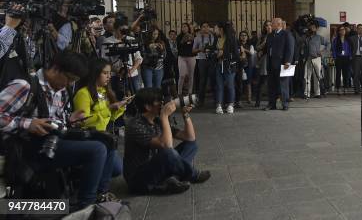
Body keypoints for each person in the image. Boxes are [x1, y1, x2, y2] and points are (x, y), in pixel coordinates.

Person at [0, 51, 113, 208]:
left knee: (106, 141)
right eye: (69, 79)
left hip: (50, 142)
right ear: (56, 69)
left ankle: (101, 195)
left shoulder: (61, 91)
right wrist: (27, 123)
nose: (68, 84)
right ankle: (86, 206)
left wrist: (68, 120)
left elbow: (53, 119)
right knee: (97, 150)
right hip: (25, 147)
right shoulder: (25, 85)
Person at [123, 87, 210, 194]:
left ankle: (172, 180)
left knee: (191, 145)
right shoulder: (135, 125)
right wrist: (164, 116)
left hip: (157, 168)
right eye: (158, 101)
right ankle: (193, 175)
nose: (162, 103)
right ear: (148, 106)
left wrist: (185, 114)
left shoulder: (157, 120)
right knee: (169, 153)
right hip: (139, 179)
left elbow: (190, 138)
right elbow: (166, 145)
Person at [73, 58, 128, 202]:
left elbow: (110, 117)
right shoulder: (83, 93)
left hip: (104, 136)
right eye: (105, 73)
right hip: (90, 136)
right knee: (111, 164)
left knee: (117, 169)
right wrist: (108, 109)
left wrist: (120, 108)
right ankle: (100, 190)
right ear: (95, 74)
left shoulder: (104, 91)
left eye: (110, 73)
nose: (109, 76)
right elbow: (81, 121)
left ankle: (94, 177)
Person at [101, 19, 143, 98]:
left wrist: (130, 71)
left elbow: (139, 58)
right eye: (122, 30)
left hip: (132, 75)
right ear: (115, 29)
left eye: (126, 30)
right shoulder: (108, 41)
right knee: (118, 97)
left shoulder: (131, 40)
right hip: (115, 75)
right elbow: (104, 61)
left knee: (136, 97)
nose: (124, 32)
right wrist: (119, 71)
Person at [264, 18, 294, 111]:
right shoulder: (270, 35)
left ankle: (285, 104)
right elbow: (268, 48)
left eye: (272, 23)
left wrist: (288, 61)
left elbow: (290, 48)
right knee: (271, 85)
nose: (271, 25)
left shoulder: (286, 34)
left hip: (283, 63)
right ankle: (271, 104)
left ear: (279, 24)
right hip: (271, 63)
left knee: (283, 85)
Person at [213, 22, 240, 114]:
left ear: (221, 29)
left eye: (216, 28)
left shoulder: (232, 39)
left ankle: (230, 105)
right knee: (219, 86)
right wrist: (215, 54)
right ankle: (219, 105)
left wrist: (223, 54)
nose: (215, 30)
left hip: (229, 66)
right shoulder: (217, 39)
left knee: (230, 86)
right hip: (218, 66)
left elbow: (236, 55)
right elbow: (214, 51)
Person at [192, 22, 216, 104]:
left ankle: (216, 100)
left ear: (209, 28)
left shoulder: (213, 37)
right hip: (202, 60)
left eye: (207, 26)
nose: (205, 28)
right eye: (203, 27)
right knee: (202, 80)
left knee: (213, 79)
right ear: (201, 28)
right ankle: (201, 101)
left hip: (212, 60)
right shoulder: (197, 38)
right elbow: (193, 50)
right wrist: (200, 49)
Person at [303, 21, 324, 99]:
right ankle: (306, 93)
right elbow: (304, 47)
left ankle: (317, 93)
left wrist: (322, 51)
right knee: (307, 76)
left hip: (317, 59)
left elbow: (328, 44)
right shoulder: (306, 37)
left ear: (317, 28)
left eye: (313, 27)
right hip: (308, 58)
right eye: (311, 27)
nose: (312, 28)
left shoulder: (319, 37)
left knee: (317, 76)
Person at [254, 21, 272, 107]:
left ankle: (272, 101)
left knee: (271, 83)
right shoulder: (262, 37)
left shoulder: (276, 35)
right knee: (261, 81)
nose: (268, 27)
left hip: (273, 61)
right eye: (266, 26)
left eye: (270, 25)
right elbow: (257, 48)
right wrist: (264, 42)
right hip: (264, 61)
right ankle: (257, 101)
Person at [349, 24, 362, 94]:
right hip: (356, 58)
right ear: (357, 29)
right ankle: (357, 90)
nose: (361, 30)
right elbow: (350, 48)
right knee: (356, 75)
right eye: (359, 28)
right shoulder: (352, 38)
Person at [236, 30, 256, 106]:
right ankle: (239, 100)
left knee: (248, 82)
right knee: (239, 83)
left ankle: (249, 99)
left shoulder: (250, 45)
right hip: (239, 66)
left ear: (247, 37)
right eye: (242, 35)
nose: (243, 37)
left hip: (248, 65)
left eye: (245, 35)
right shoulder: (237, 45)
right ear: (240, 37)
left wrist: (244, 49)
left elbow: (252, 53)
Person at [176, 23, 196, 96]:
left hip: (191, 57)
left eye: (185, 27)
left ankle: (189, 93)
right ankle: (179, 93)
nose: (184, 28)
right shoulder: (179, 37)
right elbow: (179, 46)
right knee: (182, 75)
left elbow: (195, 46)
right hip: (182, 57)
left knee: (191, 75)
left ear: (188, 28)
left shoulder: (193, 36)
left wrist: (192, 38)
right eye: (183, 27)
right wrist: (184, 39)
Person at [332, 26, 351, 94]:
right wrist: (334, 57)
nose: (342, 31)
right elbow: (333, 49)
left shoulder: (348, 39)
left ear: (345, 31)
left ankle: (345, 87)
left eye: (343, 30)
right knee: (338, 73)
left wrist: (350, 56)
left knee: (346, 73)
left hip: (346, 58)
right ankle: (338, 88)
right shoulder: (336, 40)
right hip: (338, 58)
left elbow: (350, 49)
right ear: (339, 31)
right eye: (341, 30)